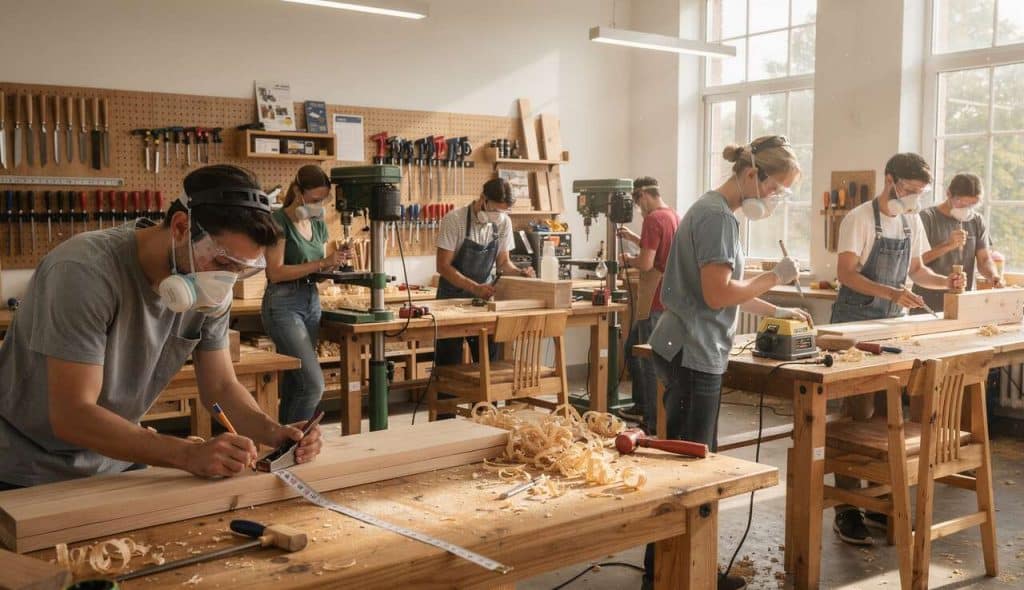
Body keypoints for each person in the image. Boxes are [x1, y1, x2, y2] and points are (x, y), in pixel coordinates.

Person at [0, 164, 323, 489]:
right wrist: (186, 453)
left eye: (241, 271)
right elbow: (72, 415)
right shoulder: (84, 272)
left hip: (116, 460)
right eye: (223, 264)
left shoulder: (210, 287)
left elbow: (221, 388)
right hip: (28, 468)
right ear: (181, 227)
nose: (226, 282)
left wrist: (273, 432)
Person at [644, 136, 809, 590]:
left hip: (692, 345)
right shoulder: (716, 217)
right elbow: (718, 295)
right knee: (688, 466)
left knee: (691, 462)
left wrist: (777, 310)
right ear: (752, 174)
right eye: (776, 188)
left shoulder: (719, 213)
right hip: (692, 352)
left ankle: (686, 569)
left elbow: (725, 290)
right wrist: (774, 276)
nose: (775, 198)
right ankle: (671, 575)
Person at [830, 153, 963, 545]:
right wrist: (890, 291)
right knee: (858, 413)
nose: (914, 198)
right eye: (909, 190)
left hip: (893, 328)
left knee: (890, 411)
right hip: (855, 325)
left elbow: (919, 272)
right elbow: (845, 273)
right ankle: (847, 508)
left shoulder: (911, 220)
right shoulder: (858, 218)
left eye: (920, 192)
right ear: (890, 180)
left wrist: (947, 285)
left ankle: (879, 499)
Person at [262, 164, 346, 424]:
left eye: (324, 200)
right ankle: (294, 440)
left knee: (297, 382)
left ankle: (286, 447)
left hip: (311, 301)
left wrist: (336, 262)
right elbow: (274, 272)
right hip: (284, 304)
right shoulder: (278, 221)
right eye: (314, 199)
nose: (319, 204)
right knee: (312, 385)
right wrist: (322, 263)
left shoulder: (318, 224)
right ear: (298, 192)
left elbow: (319, 268)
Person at [434, 178, 534, 366]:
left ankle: (489, 397)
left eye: (503, 212)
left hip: (483, 303)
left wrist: (521, 273)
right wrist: (474, 287)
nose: (498, 216)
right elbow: (443, 266)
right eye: (495, 210)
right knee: (449, 366)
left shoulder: (503, 223)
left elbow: (503, 263)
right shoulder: (454, 221)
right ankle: (449, 396)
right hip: (450, 303)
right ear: (482, 199)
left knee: (489, 364)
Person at [617, 177, 679, 429]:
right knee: (634, 347)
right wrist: (634, 238)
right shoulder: (672, 215)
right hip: (669, 296)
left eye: (636, 202)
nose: (638, 209)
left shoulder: (652, 219)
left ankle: (652, 421)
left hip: (654, 298)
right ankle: (643, 406)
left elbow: (646, 263)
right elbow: (661, 248)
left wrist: (626, 258)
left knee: (649, 360)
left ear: (642, 195)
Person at [913, 172, 1004, 312]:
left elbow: (985, 259)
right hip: (926, 302)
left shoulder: (976, 220)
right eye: (961, 202)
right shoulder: (927, 218)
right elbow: (915, 264)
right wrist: (948, 245)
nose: (966, 208)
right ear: (948, 193)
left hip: (962, 302)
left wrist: (993, 276)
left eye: (972, 204)